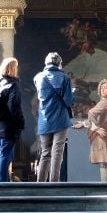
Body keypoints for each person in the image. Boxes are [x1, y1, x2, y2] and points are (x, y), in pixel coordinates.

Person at [33, 51, 74, 182]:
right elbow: (68, 101)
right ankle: (54, 183)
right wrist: (73, 95)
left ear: (46, 63)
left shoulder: (38, 77)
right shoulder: (65, 78)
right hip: (61, 119)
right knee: (57, 152)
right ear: (60, 63)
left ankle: (40, 184)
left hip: (44, 120)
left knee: (45, 153)